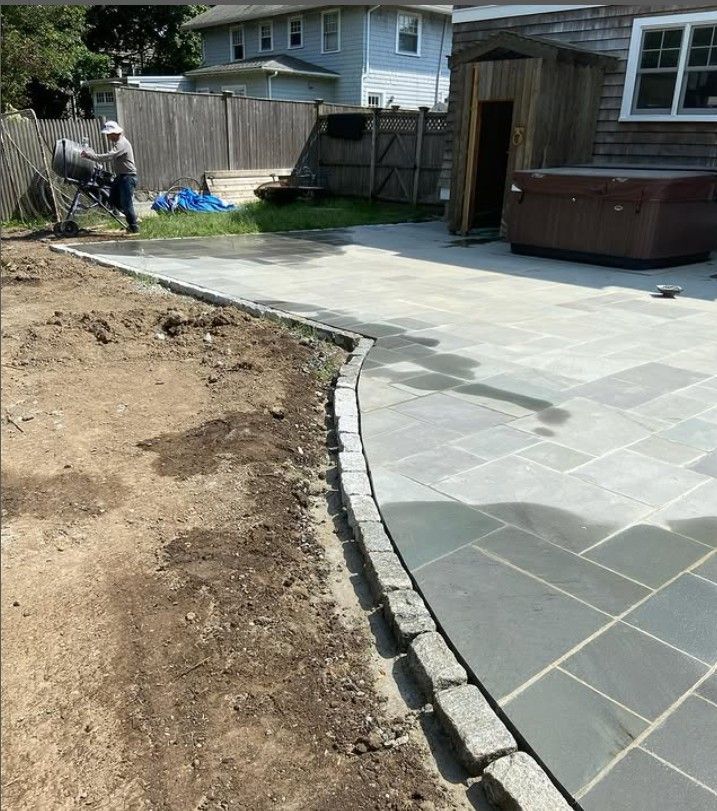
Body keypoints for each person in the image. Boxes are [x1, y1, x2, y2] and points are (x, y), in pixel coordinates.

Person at [82, 121, 139, 234]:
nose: (108, 137)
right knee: (112, 199)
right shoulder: (119, 143)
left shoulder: (122, 144)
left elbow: (109, 156)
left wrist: (91, 156)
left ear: (114, 133)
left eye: (108, 135)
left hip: (128, 177)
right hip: (120, 177)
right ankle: (131, 217)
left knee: (126, 203)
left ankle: (134, 227)